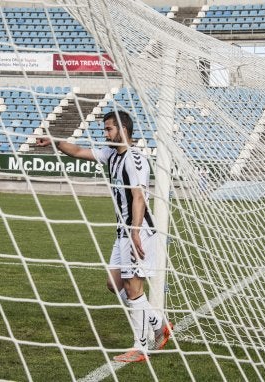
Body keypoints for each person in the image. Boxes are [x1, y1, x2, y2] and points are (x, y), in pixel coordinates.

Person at [36, 110, 172, 362]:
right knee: (114, 284)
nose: (105, 133)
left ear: (123, 129)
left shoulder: (135, 159)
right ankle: (158, 324)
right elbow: (77, 152)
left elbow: (139, 197)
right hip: (123, 231)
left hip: (137, 231)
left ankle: (140, 347)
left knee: (133, 288)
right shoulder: (112, 154)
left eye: (109, 129)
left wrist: (135, 233)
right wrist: (55, 141)